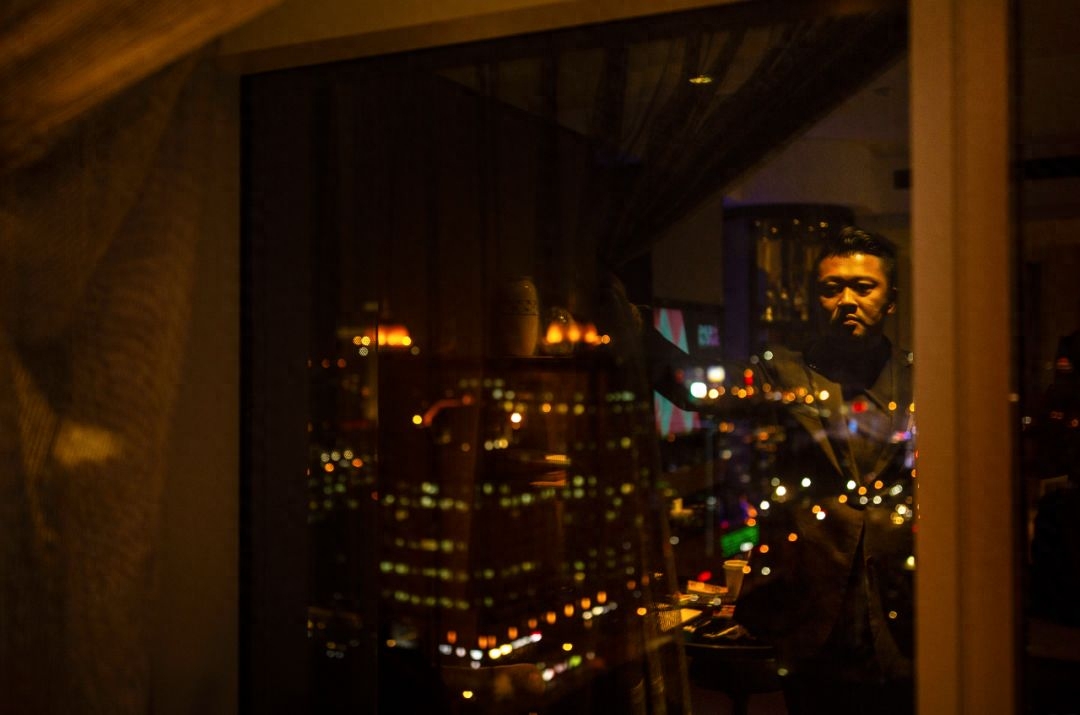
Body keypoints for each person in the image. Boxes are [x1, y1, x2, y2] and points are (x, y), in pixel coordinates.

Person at [733, 226, 916, 715]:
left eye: (864, 287)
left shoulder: (920, 376)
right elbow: (702, 395)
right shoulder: (783, 372)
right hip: (810, 604)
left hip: (900, 605)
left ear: (890, 299)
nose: (847, 300)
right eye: (832, 288)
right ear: (816, 298)